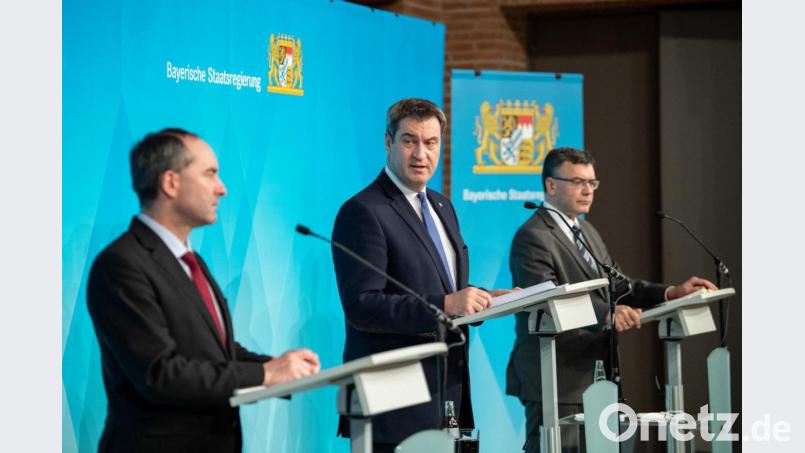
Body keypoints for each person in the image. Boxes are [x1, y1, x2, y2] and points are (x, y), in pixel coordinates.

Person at [87, 128, 320, 453]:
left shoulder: (190, 260)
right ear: (170, 183)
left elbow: (214, 351)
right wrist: (265, 373)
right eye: (210, 174)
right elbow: (160, 374)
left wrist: (280, 366)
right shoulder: (121, 264)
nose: (222, 188)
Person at [505, 147, 716, 452]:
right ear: (551, 185)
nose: (588, 190)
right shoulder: (533, 236)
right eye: (578, 182)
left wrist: (672, 292)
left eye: (592, 182)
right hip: (556, 377)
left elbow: (619, 286)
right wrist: (607, 313)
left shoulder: (586, 230)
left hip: (597, 374)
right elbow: (546, 298)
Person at [331, 98, 508, 451]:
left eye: (431, 143)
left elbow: (440, 286)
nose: (421, 154)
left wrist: (482, 299)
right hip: (396, 405)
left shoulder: (443, 206)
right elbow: (363, 305)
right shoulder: (364, 211)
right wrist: (446, 304)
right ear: (388, 142)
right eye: (409, 141)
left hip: (448, 390)